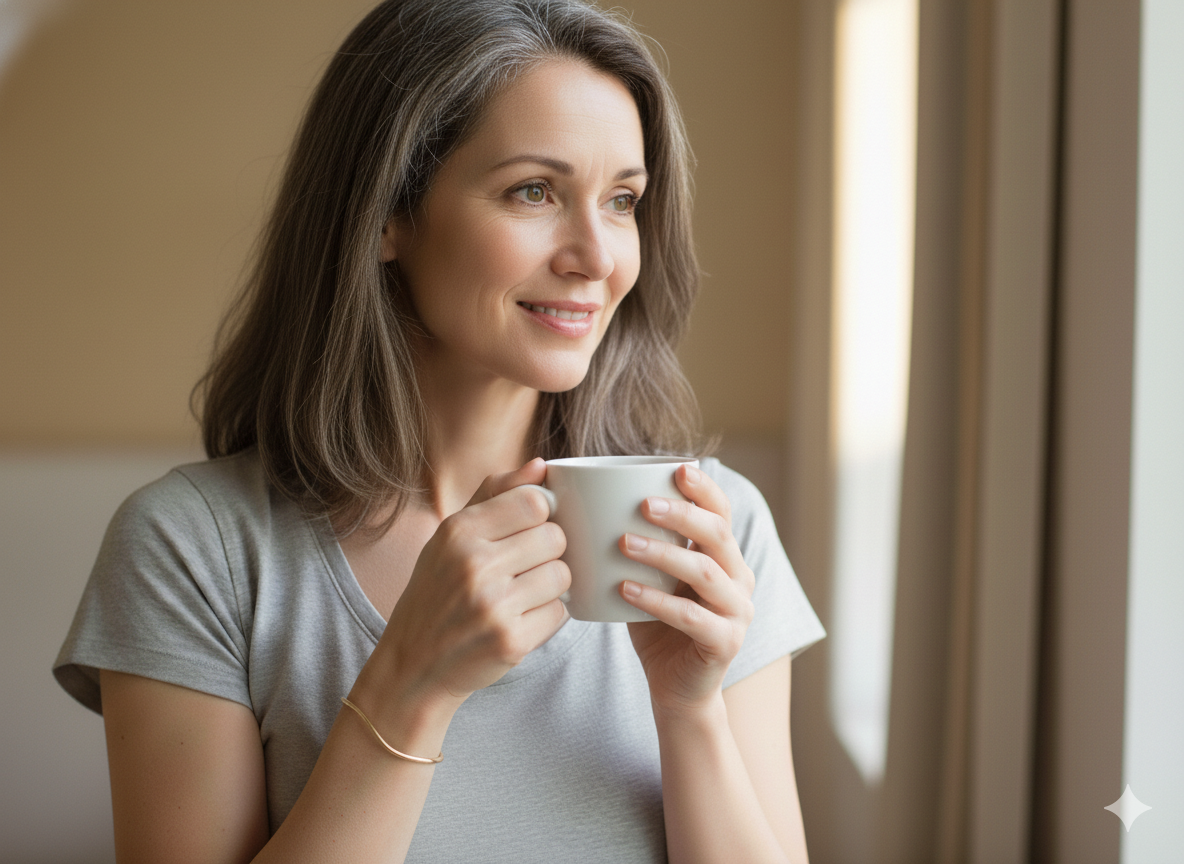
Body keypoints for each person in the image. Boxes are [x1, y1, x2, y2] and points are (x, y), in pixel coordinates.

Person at [53, 0, 825, 861]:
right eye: (534, 191)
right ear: (387, 214)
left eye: (621, 201)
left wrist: (691, 712)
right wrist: (409, 685)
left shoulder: (715, 530)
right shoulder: (197, 549)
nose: (598, 257)